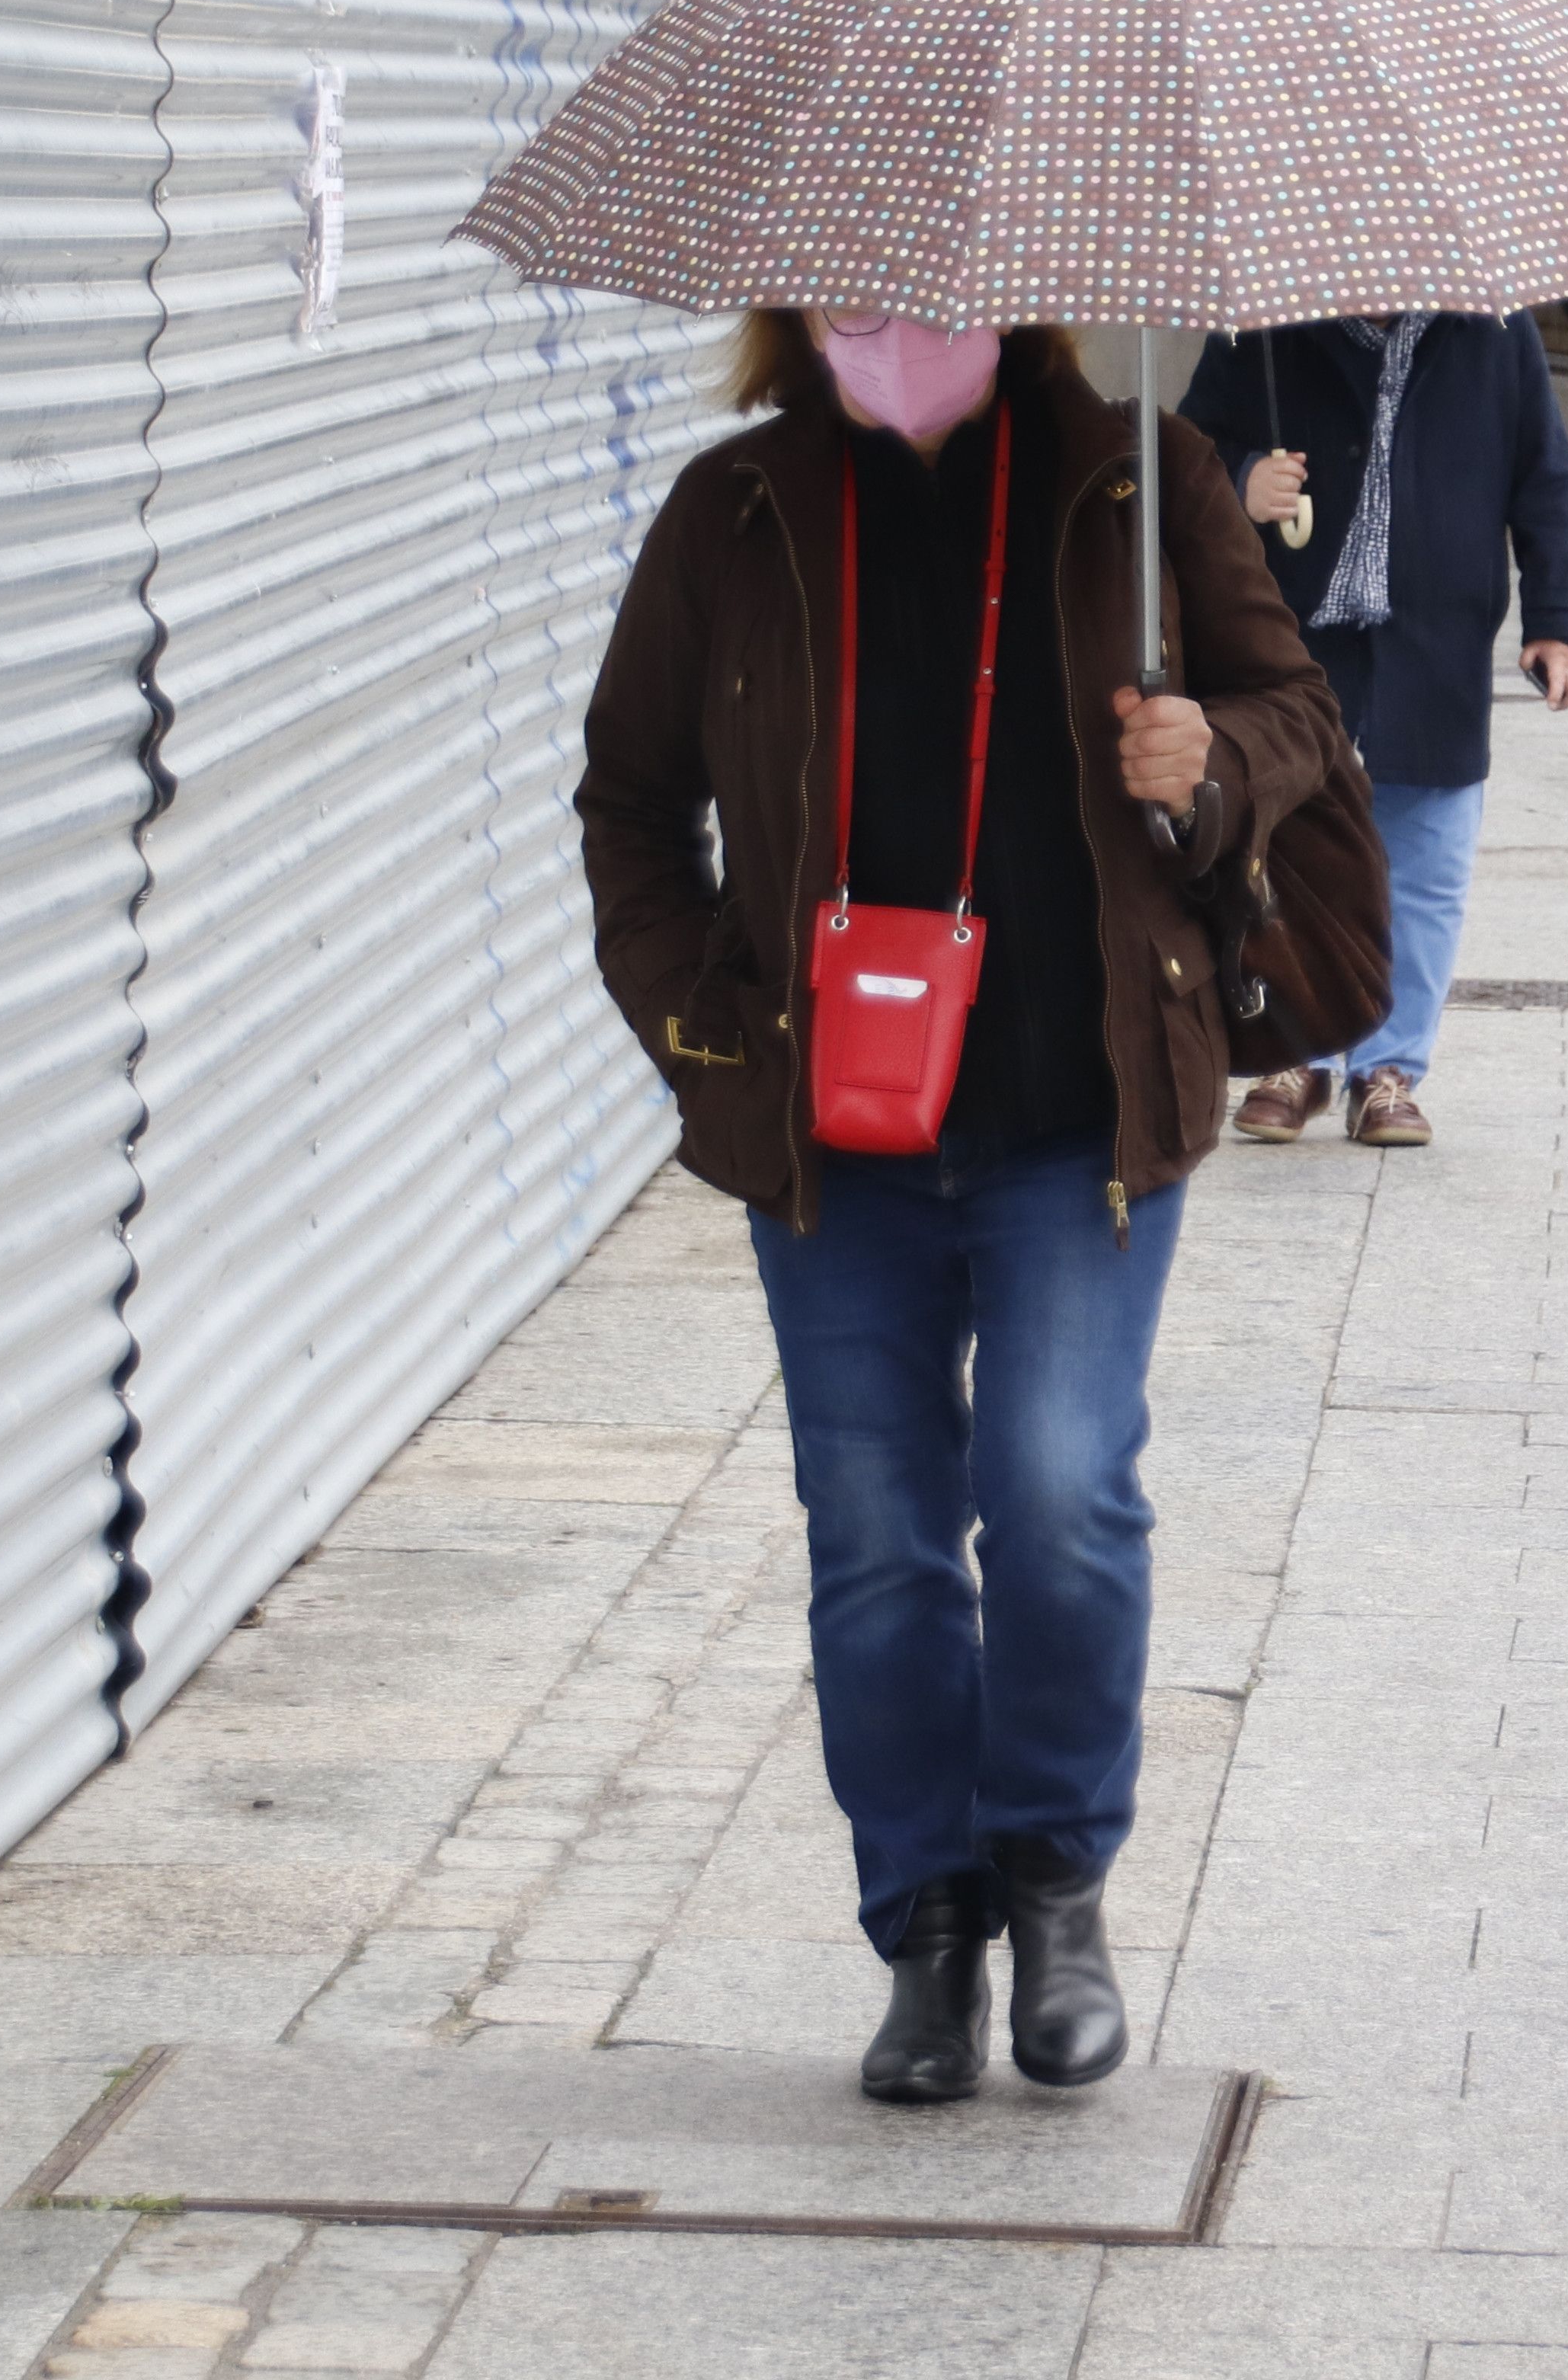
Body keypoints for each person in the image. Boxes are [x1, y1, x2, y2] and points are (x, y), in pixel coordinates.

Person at [574, 312, 1358, 2107]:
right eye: (849, 267)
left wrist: (1210, 760)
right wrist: (708, 1022)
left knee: (1060, 1489)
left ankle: (1056, 1881)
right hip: (832, 1139)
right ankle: (927, 1921)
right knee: (874, 1531)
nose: (893, 302)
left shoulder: (1132, 477)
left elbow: (1300, 712)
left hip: (1074, 1109)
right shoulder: (738, 510)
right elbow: (631, 797)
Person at [1183, 314, 1568, 1149]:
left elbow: (1542, 471)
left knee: (1426, 859)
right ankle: (1294, 1051)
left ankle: (1388, 1068)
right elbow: (1185, 447)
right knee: (1290, 854)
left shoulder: (1494, 328)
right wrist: (1239, 479)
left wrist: (1559, 616)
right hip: (1293, 635)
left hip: (1436, 634)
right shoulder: (1267, 321)